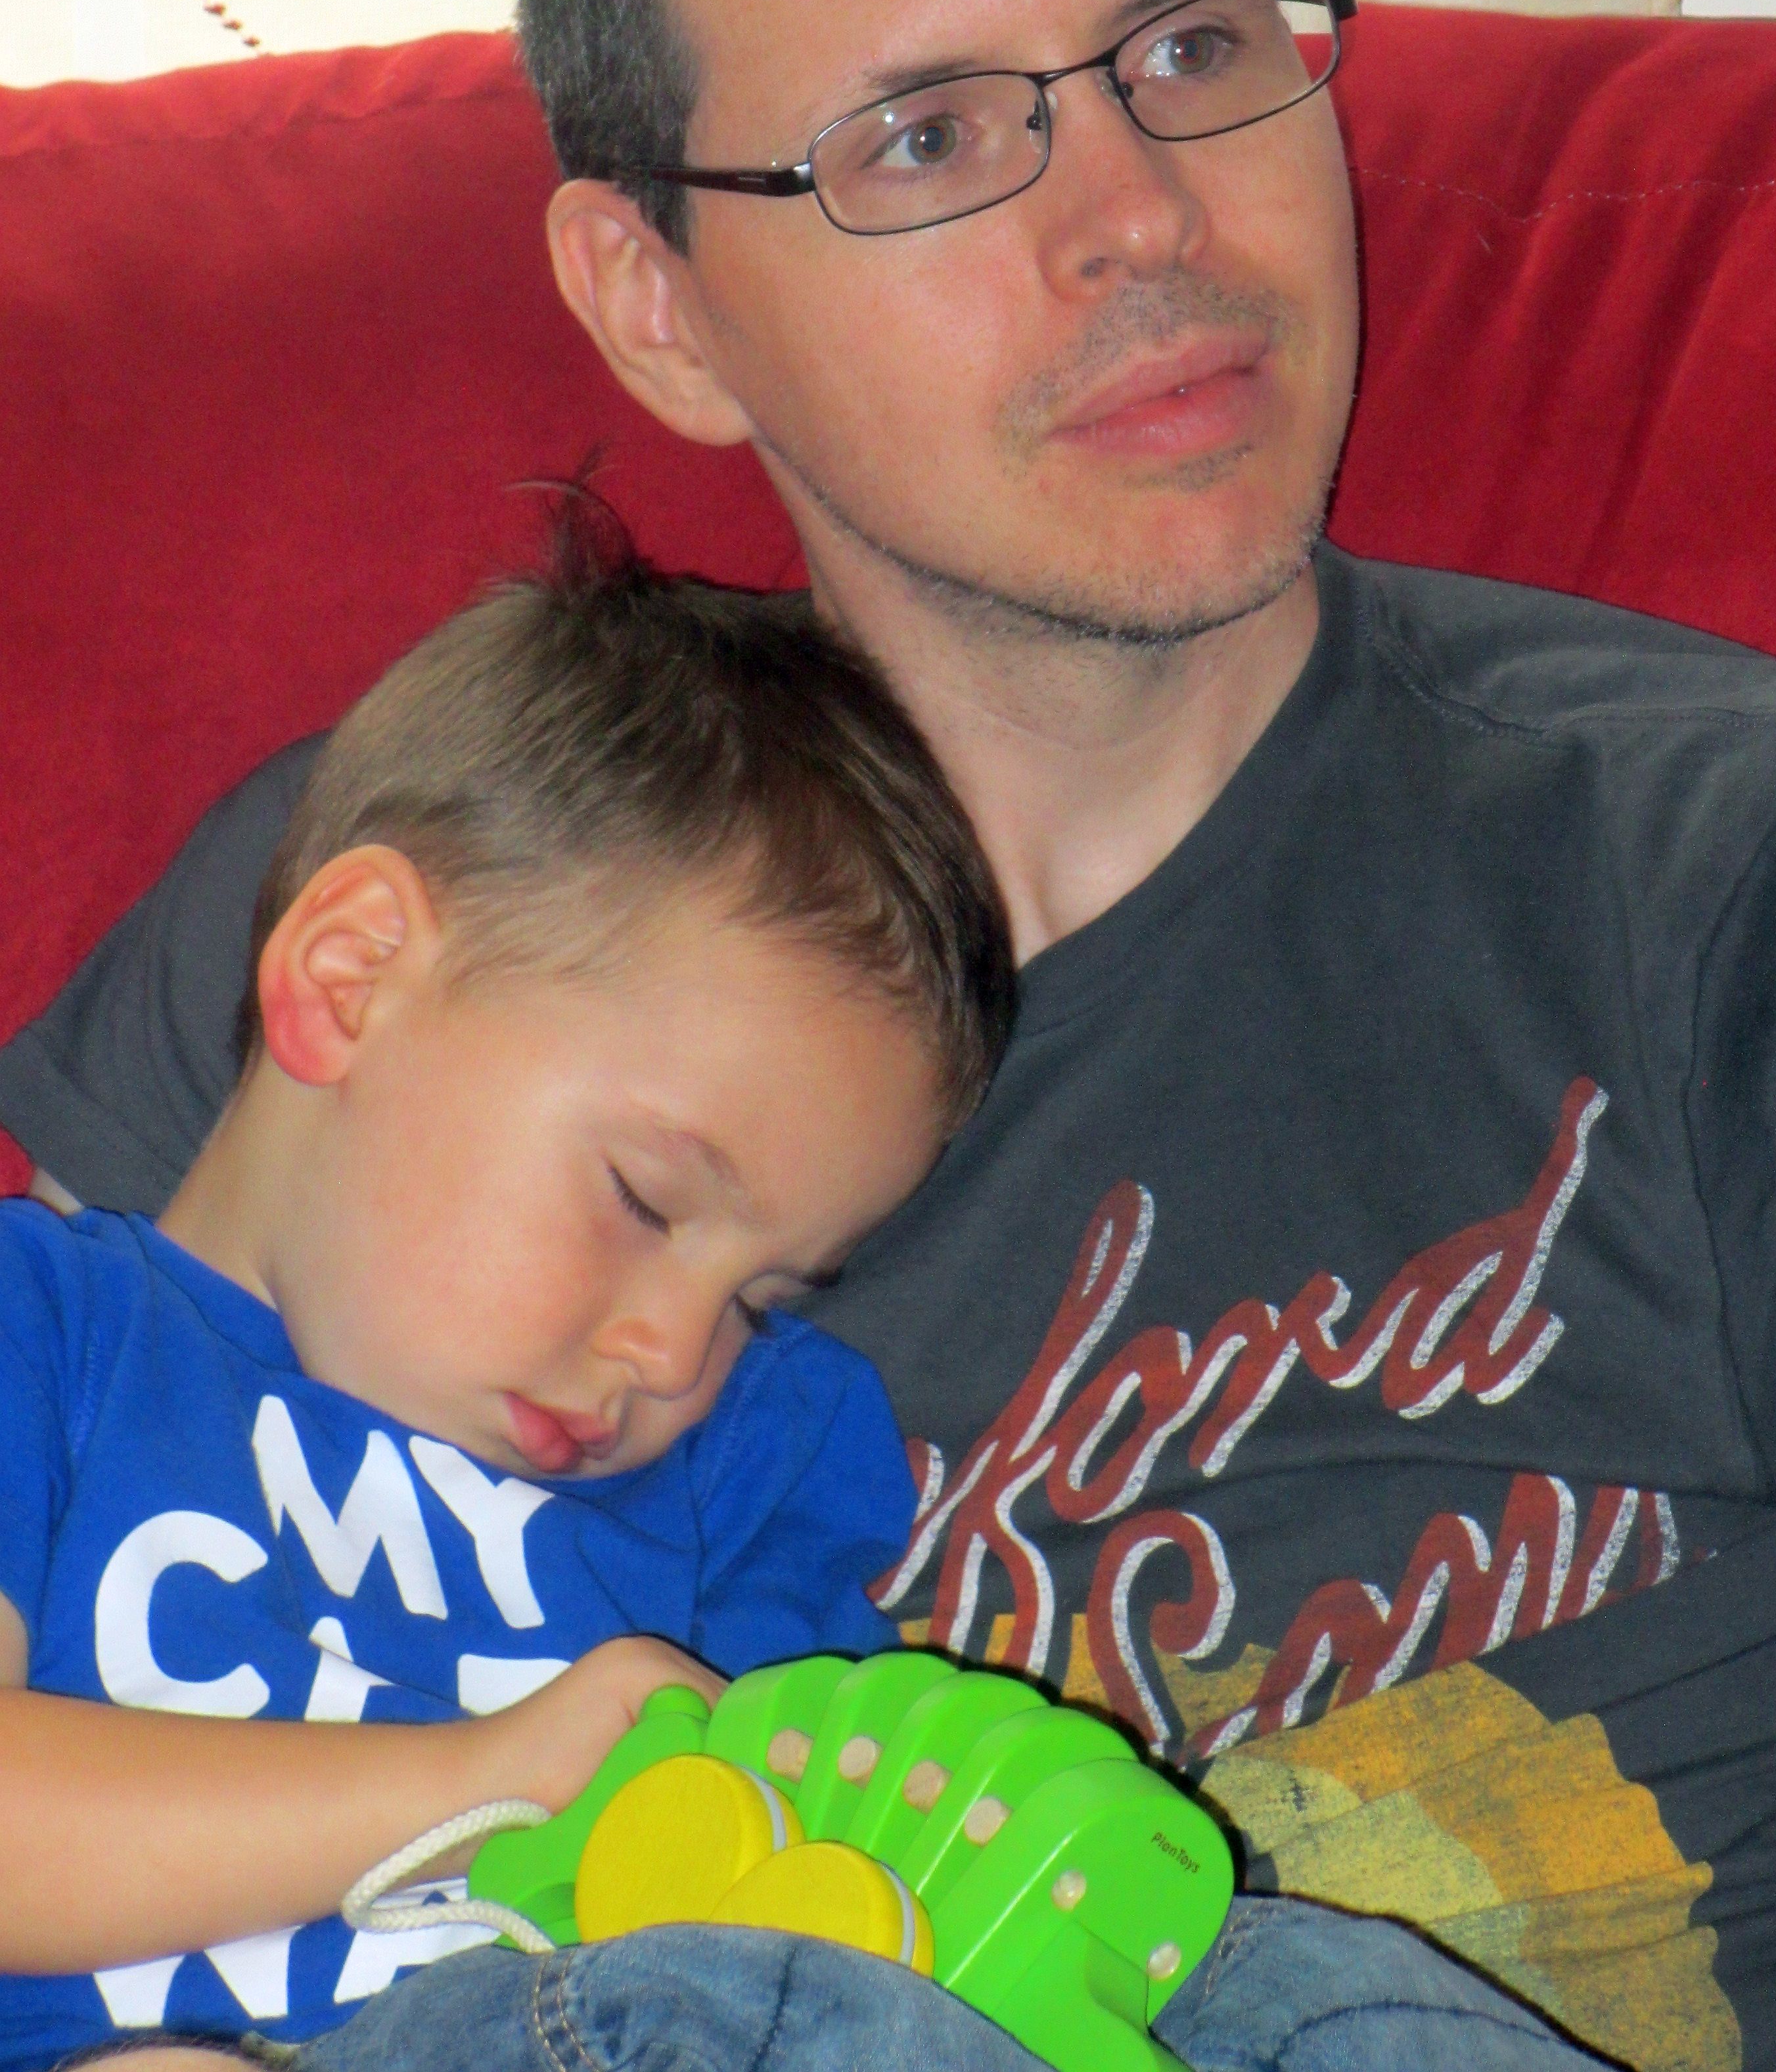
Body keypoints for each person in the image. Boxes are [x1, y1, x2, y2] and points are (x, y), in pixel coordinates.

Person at [7, 0, 1776, 2072]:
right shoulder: (453, 885)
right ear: (658, 305)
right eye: (926, 135)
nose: (1140, 213)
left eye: (1194, 46)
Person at [0, 520, 1018, 2068]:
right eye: (645, 1199)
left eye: (762, 1292)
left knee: (1288, 1984)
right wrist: (486, 1781)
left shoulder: (740, 1465)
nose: (672, 1351)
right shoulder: (46, 1336)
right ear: (350, 980)